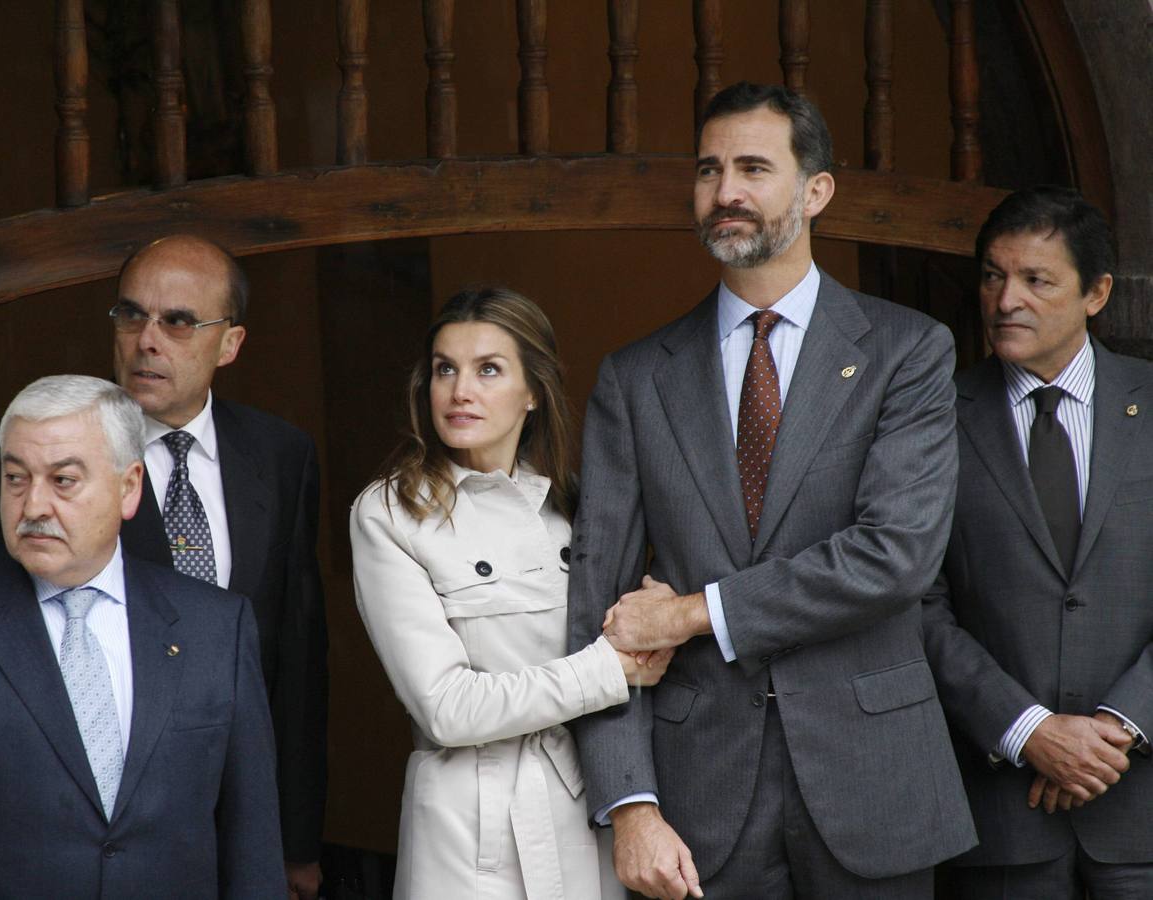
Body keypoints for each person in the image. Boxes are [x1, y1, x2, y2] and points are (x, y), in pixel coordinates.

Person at [566, 81, 977, 899]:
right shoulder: (636, 376)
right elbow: (598, 603)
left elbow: (892, 558)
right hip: (694, 803)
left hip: (877, 784)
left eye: (754, 168)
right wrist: (631, 805)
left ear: (816, 190)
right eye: (709, 170)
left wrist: (690, 612)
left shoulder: (909, 351)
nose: (726, 193)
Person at [0, 235, 327, 897]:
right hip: (78, 827)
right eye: (131, 316)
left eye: (178, 321)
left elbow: (295, 657)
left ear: (230, 343)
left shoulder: (280, 454)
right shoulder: (25, 458)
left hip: (232, 820)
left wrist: (295, 841)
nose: (148, 340)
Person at [0, 375, 284, 897]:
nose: (34, 506)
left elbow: (253, 850)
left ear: (128, 486)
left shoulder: (216, 629)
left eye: (63, 480)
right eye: (16, 479)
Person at [349, 287, 674, 899]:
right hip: (466, 824)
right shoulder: (390, 512)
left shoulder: (578, 507)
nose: (459, 390)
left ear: (532, 391)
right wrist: (608, 669)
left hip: (583, 805)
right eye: (445, 369)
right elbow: (446, 707)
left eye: (488, 370)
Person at [922, 186, 1152, 899]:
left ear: (1097, 292)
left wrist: (1116, 729)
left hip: (1141, 813)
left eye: (1035, 279)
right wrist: (1030, 731)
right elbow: (914, 601)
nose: (1006, 299)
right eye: (993, 276)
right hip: (999, 826)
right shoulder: (932, 417)